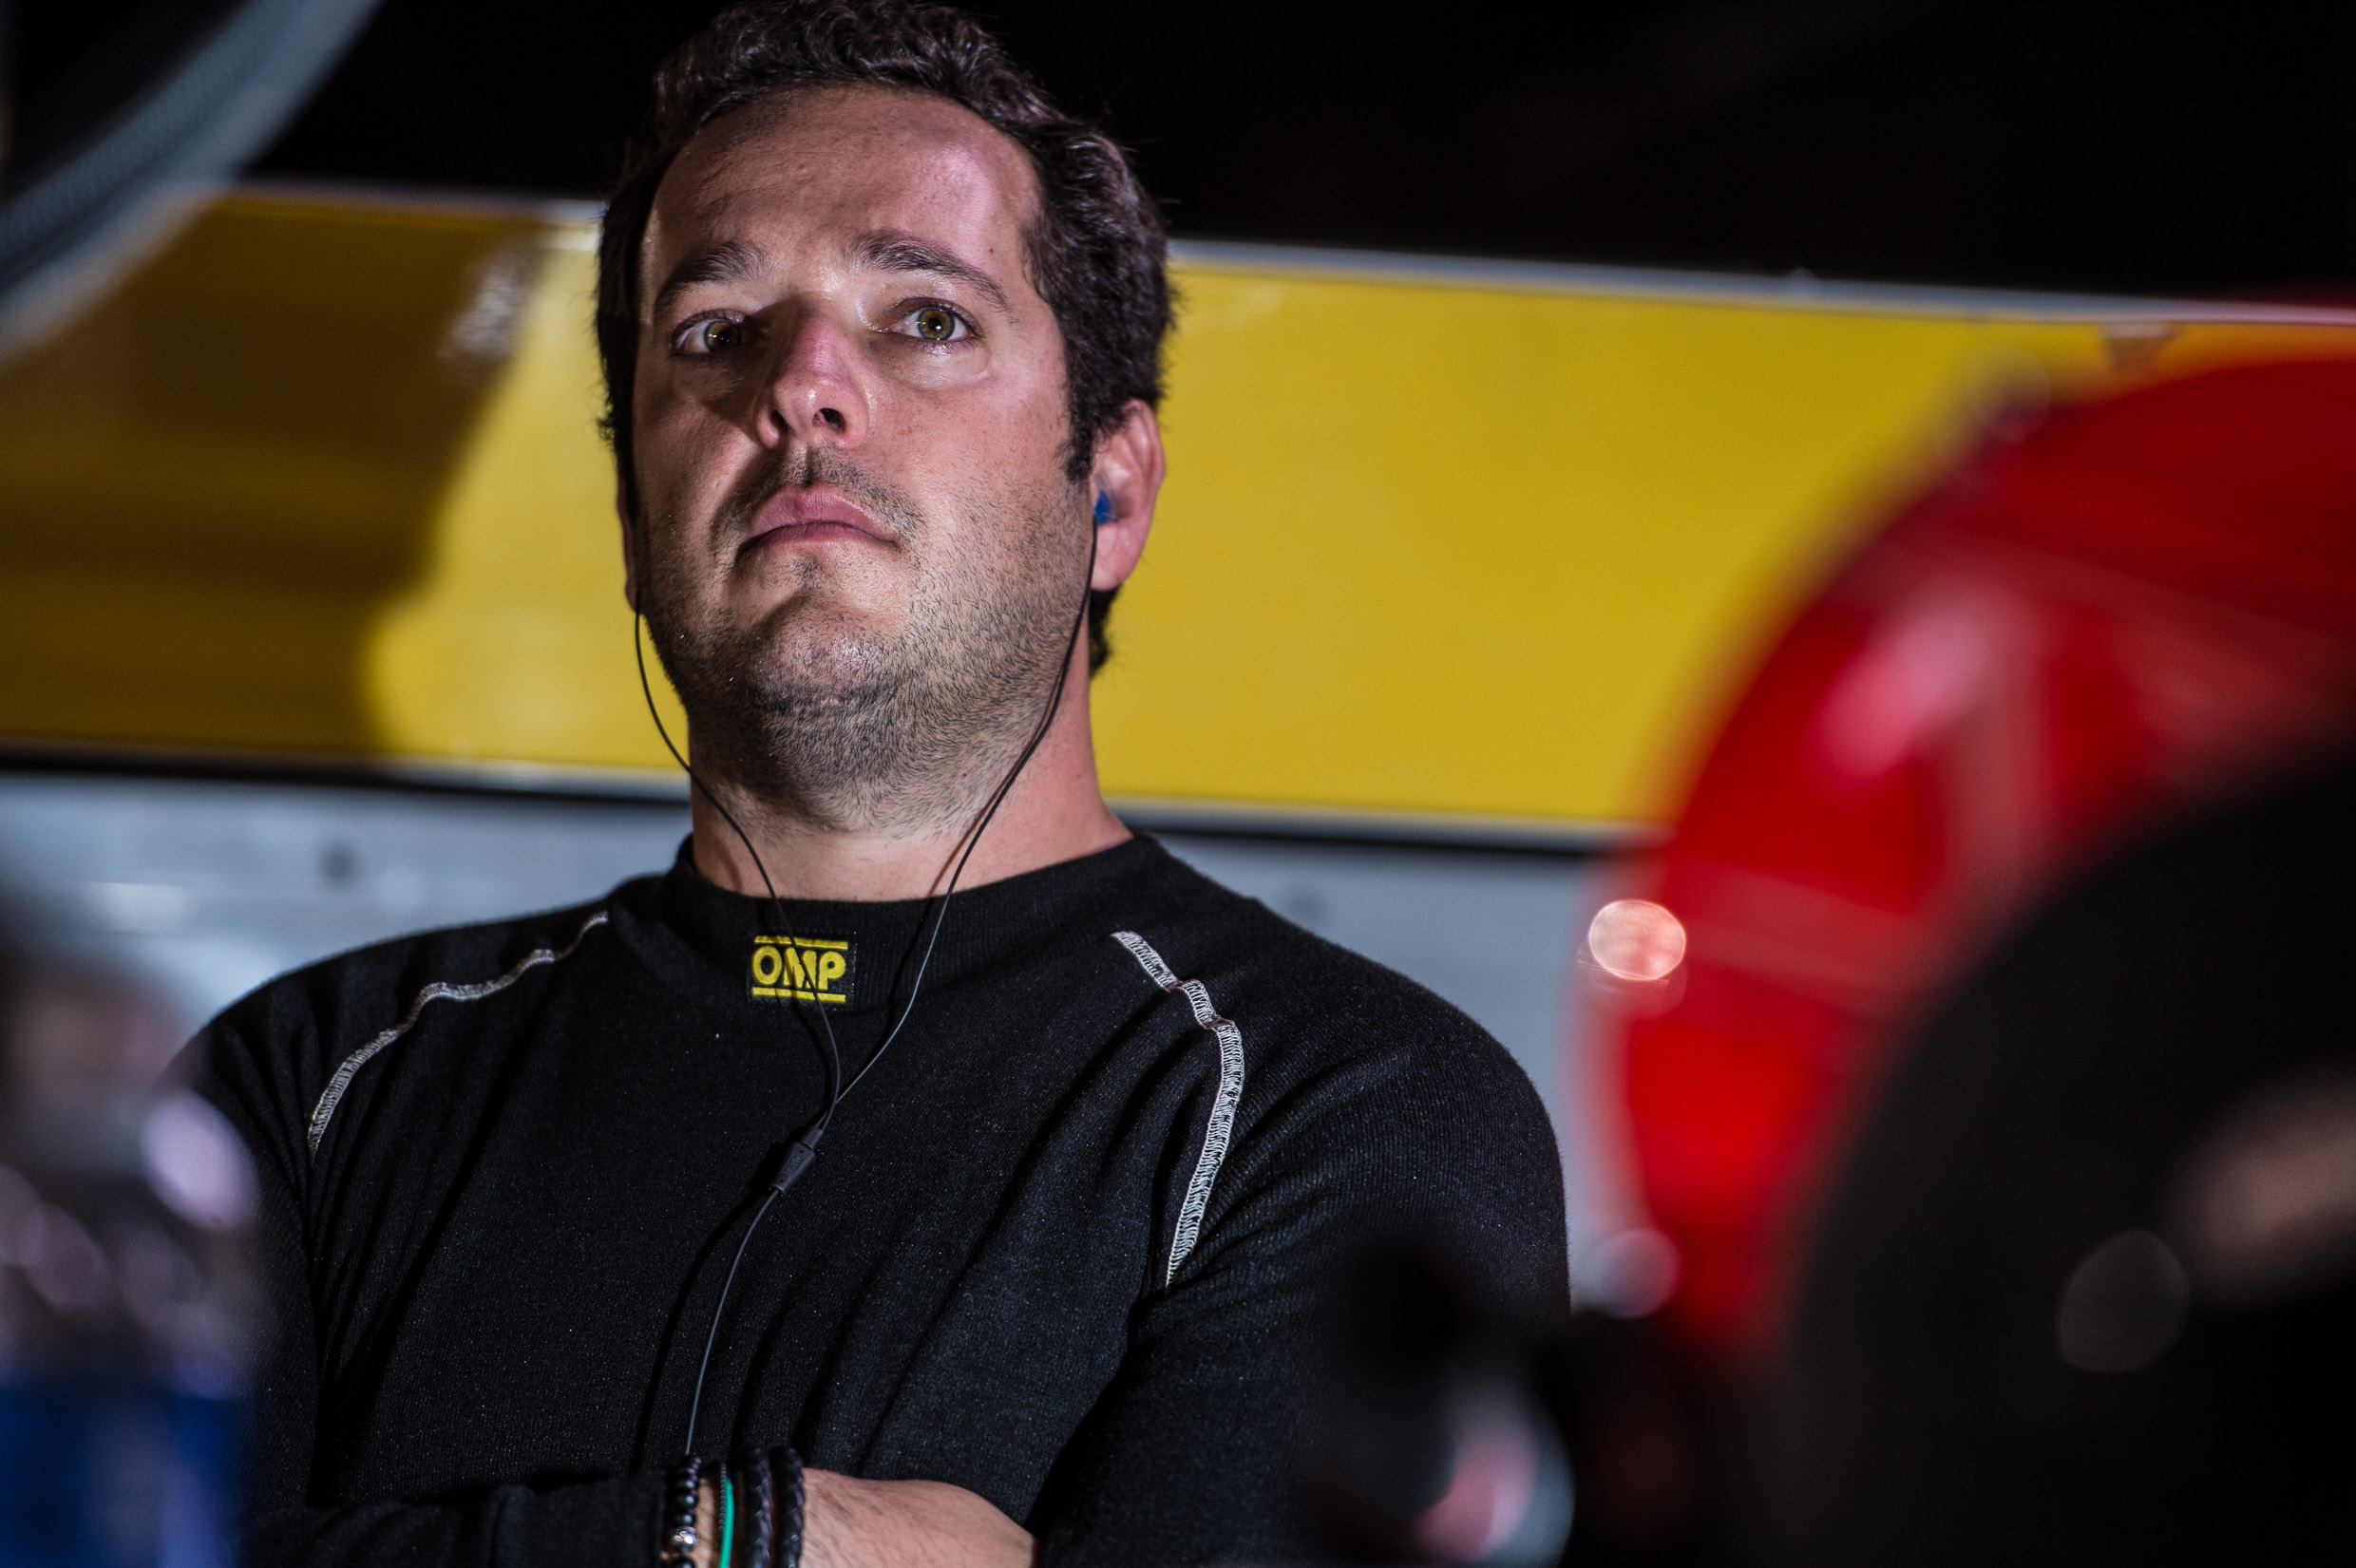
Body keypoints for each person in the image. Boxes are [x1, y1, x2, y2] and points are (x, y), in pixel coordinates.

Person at [193, 5, 1569, 1565]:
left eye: (925, 318)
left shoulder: (1352, 1109)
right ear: (635, 519)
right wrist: (759, 1540)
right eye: (715, 331)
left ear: (1112, 493)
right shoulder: (304, 1088)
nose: (801, 387)